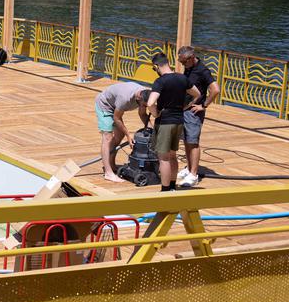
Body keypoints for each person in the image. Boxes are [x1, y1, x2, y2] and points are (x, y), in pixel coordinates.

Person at [146, 52, 201, 192]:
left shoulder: (160, 81)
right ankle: (172, 186)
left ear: (156, 66)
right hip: (179, 120)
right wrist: (186, 106)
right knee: (172, 155)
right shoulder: (182, 78)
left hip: (165, 122)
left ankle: (164, 190)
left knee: (163, 158)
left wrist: (155, 113)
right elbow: (197, 94)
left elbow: (150, 102)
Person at [176, 46, 220, 187]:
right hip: (185, 109)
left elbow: (215, 89)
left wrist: (204, 105)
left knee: (193, 142)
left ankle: (194, 175)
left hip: (194, 112)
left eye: (184, 62)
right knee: (186, 140)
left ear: (191, 58)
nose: (183, 64)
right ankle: (189, 168)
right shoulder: (189, 68)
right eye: (181, 62)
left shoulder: (202, 70)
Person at [94, 81, 150, 182]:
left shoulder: (145, 94)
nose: (144, 107)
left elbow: (142, 114)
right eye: (143, 105)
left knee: (119, 135)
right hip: (105, 105)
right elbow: (117, 118)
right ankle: (108, 173)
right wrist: (128, 135)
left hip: (116, 106)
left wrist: (152, 130)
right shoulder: (125, 98)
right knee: (107, 137)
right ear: (138, 99)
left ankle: (111, 164)